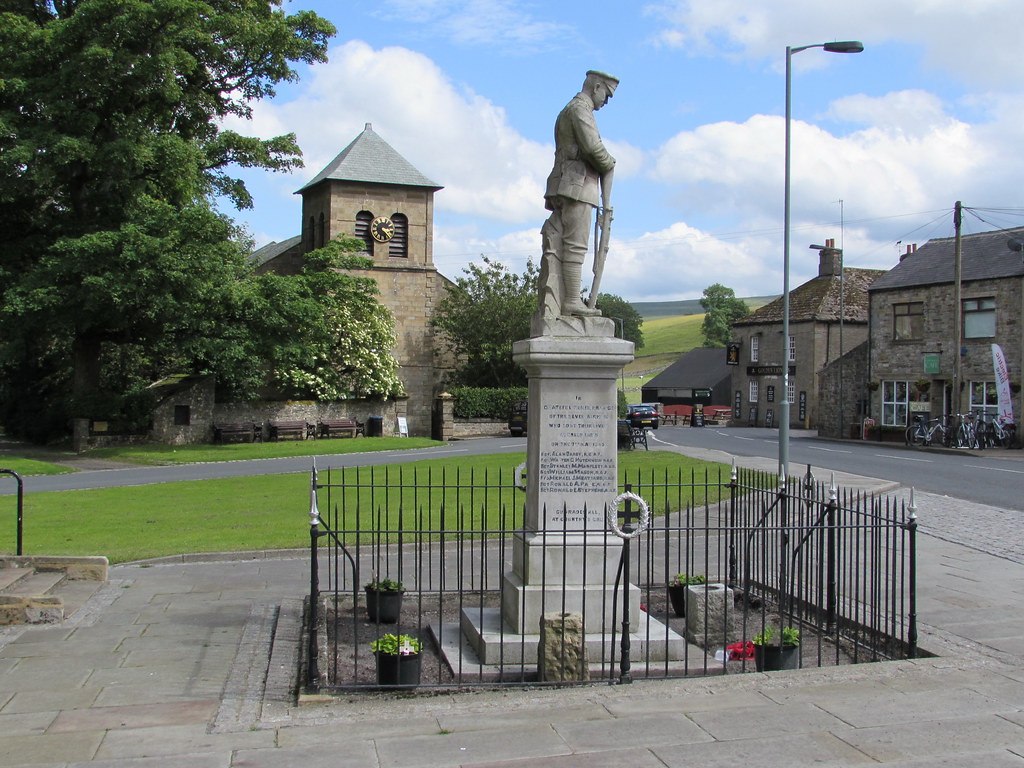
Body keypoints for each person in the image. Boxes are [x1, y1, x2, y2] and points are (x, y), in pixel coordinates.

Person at [537, 70, 618, 320]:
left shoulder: (569, 110)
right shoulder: (579, 110)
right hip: (577, 186)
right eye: (606, 94)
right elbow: (593, 148)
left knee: (566, 244)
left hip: (568, 184)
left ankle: (569, 299)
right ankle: (571, 300)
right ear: (595, 87)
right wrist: (610, 162)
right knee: (576, 245)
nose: (605, 102)